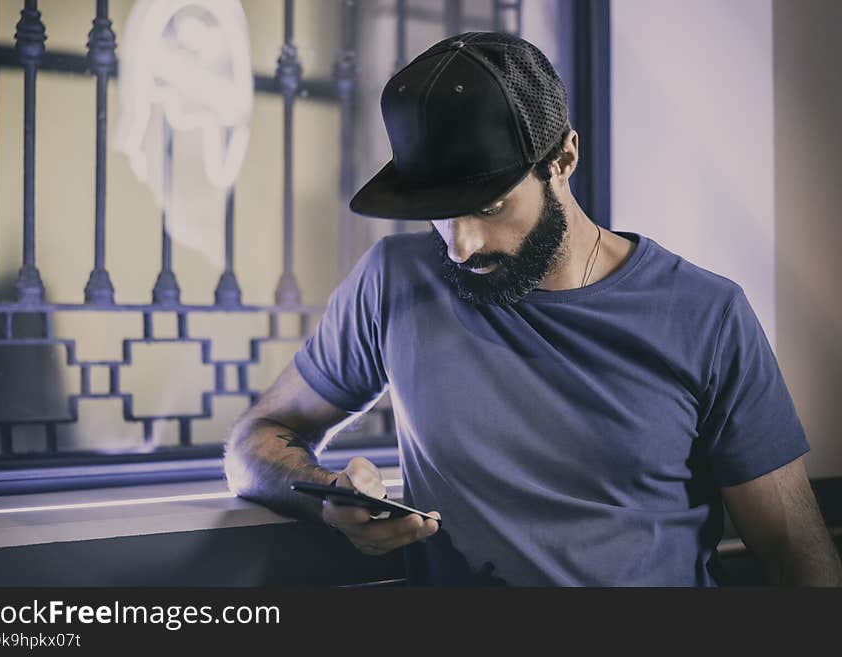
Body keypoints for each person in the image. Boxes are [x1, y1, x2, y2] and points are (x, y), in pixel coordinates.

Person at [223, 32, 842, 586]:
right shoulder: (392, 284)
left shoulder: (706, 315)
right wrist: (329, 497)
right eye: (439, 212)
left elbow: (793, 552)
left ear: (563, 159)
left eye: (488, 207)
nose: (461, 245)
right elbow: (252, 445)